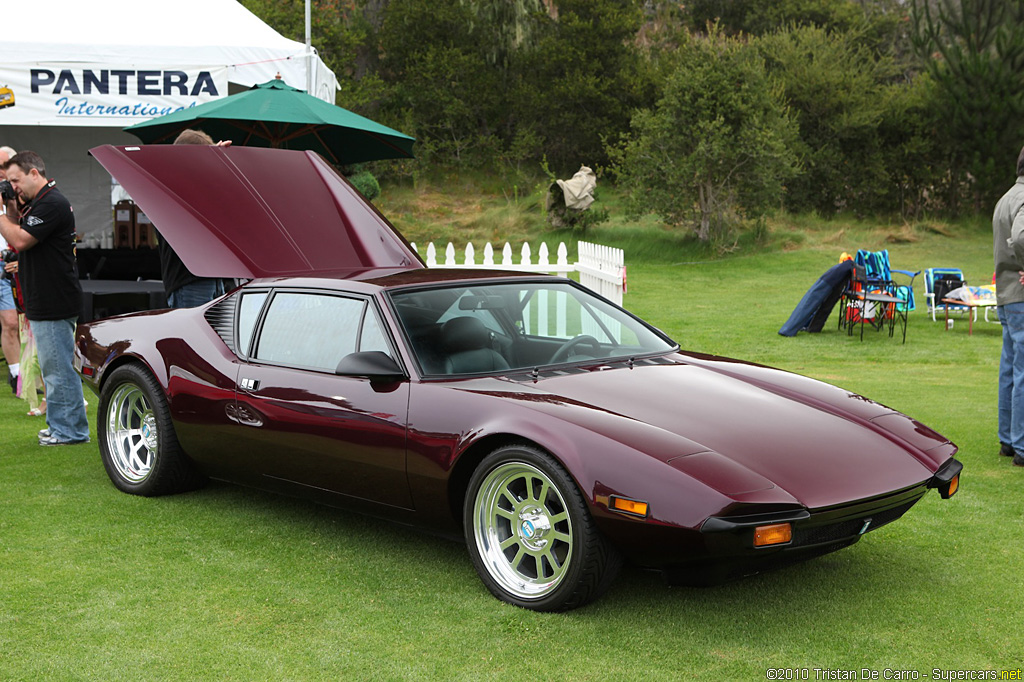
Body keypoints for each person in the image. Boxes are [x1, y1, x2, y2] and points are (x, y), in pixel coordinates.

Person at [0, 151, 89, 446]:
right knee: (53, 368)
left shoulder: (52, 203)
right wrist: (11, 207)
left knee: (58, 368)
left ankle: (71, 432)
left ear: (34, 173)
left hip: (53, 298)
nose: (13, 187)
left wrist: (0, 214)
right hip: (46, 297)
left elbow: (20, 239)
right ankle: (60, 426)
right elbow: (21, 232)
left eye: (15, 180)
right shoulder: (40, 202)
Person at [155, 129, 231, 308]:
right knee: (193, 335)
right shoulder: (170, 186)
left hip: (209, 278)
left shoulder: (184, 185)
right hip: (190, 281)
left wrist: (216, 161)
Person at [993, 144, 1024, 467]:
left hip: (1005, 293)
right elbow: (1022, 236)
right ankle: (1022, 446)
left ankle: (1008, 440)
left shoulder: (1005, 198)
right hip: (1020, 295)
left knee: (1010, 370)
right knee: (1022, 371)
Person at [0, 145, 21, 393]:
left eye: (6, 166)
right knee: (9, 322)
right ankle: (17, 374)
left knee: (15, 323)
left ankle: (21, 375)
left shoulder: (20, 193)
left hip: (15, 262)